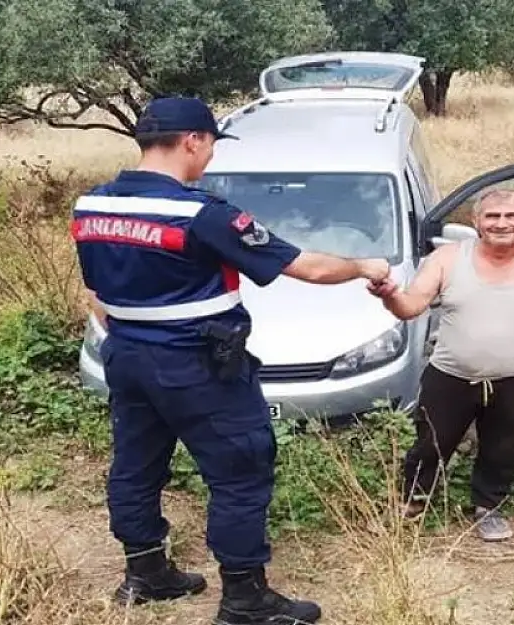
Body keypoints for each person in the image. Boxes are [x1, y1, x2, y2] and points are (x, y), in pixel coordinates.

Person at [71, 96, 390, 624]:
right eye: (212, 143)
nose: (211, 155)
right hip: (197, 364)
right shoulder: (201, 213)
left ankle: (145, 573)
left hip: (125, 356)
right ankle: (246, 600)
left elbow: (94, 291)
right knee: (241, 471)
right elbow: (305, 267)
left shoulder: (93, 205)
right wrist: (365, 265)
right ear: (193, 140)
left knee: (136, 463)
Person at [367, 188, 514, 542]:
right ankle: (413, 503)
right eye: (492, 216)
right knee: (431, 442)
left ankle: (488, 507)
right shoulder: (446, 259)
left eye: (512, 216)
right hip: (451, 376)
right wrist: (390, 297)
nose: (502, 224)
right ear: (475, 222)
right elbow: (412, 305)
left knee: (504, 446)